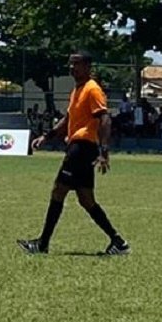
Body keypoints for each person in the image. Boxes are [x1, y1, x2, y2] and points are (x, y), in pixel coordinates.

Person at [18, 51, 129, 256]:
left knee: (58, 191)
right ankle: (118, 242)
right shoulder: (77, 90)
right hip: (80, 147)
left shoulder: (92, 89)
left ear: (88, 66)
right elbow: (68, 120)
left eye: (76, 64)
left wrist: (104, 150)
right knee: (86, 199)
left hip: (82, 147)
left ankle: (42, 244)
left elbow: (105, 119)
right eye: (70, 64)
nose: (72, 68)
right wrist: (47, 136)